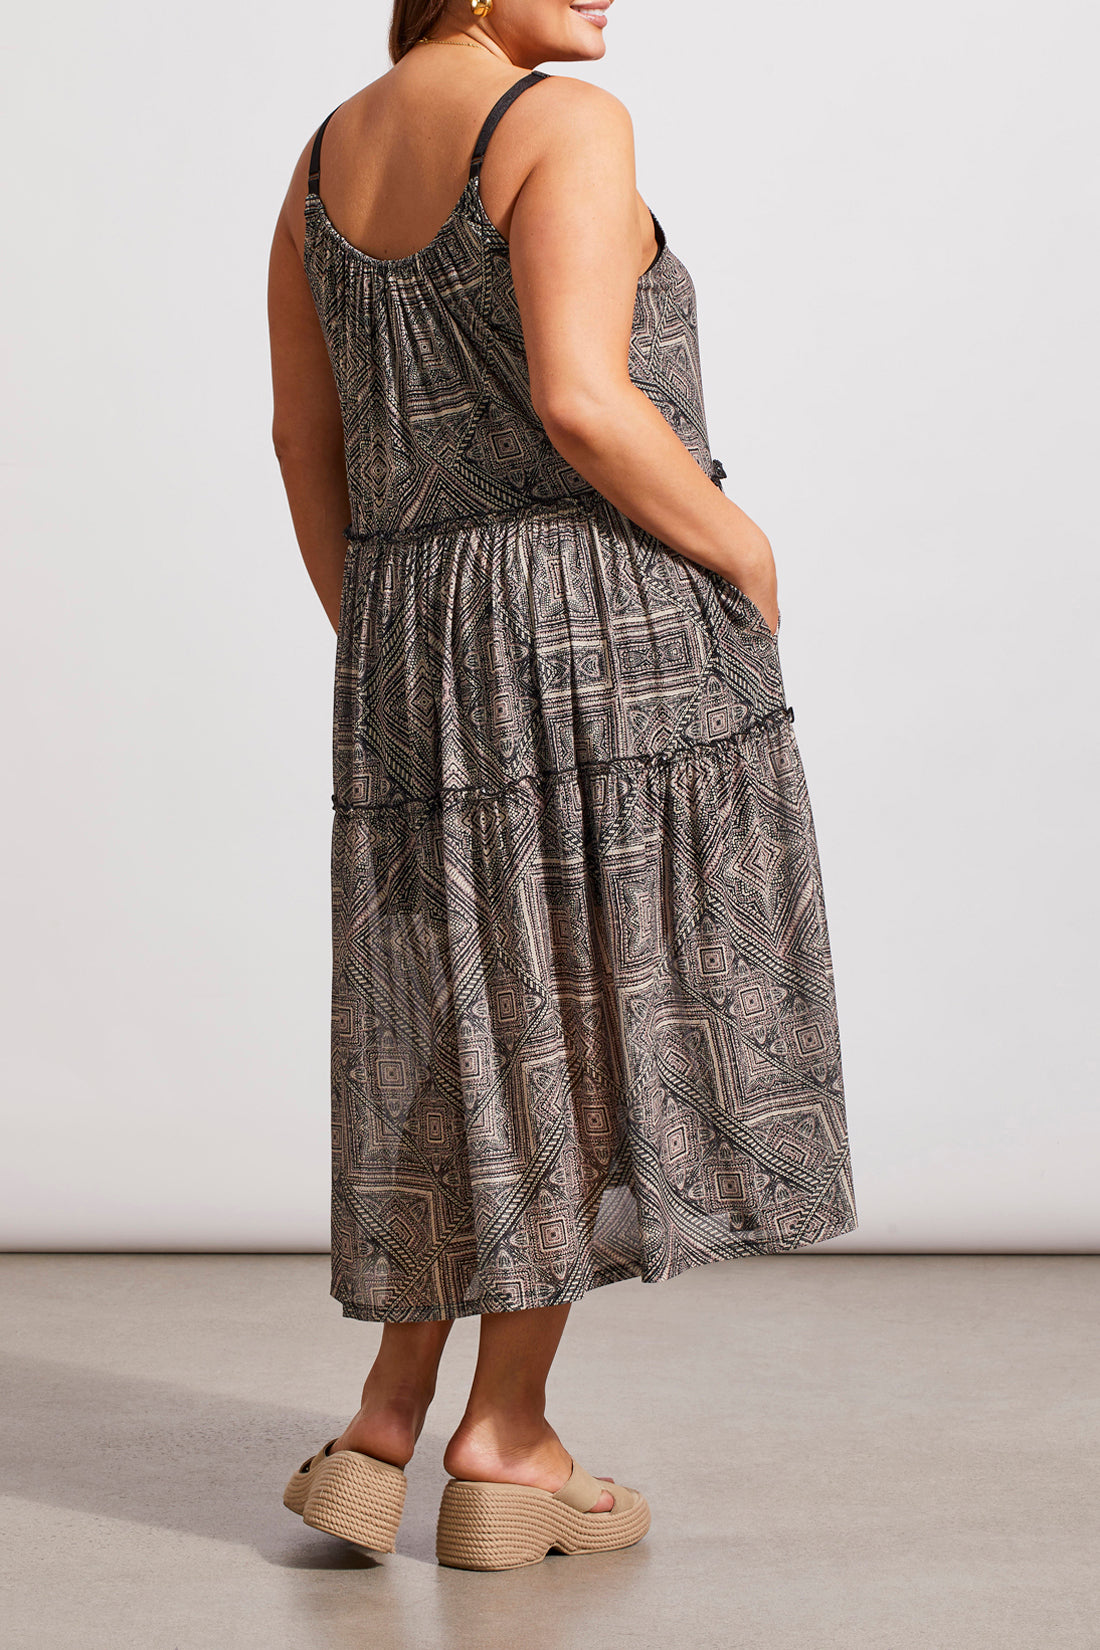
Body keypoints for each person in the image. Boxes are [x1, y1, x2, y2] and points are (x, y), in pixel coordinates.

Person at [268, 0, 857, 1572]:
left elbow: (303, 440)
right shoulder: (563, 124)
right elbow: (587, 401)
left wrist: (400, 639)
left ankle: (390, 1415)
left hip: (414, 637)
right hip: (599, 616)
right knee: (583, 1016)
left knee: (467, 1013)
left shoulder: (324, 160)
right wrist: (746, 550)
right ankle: (507, 1440)